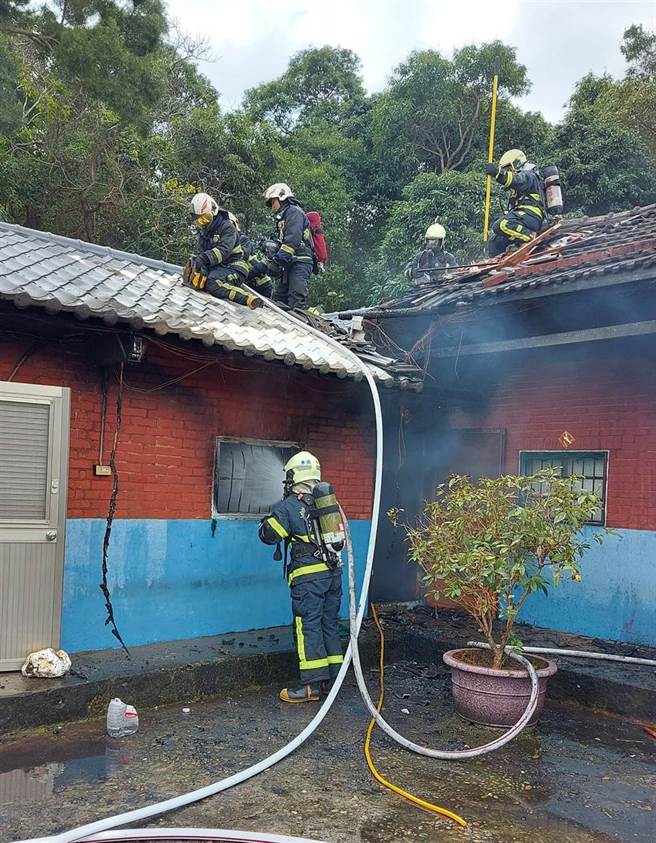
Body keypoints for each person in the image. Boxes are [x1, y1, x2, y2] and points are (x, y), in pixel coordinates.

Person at [259, 451, 344, 703]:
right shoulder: (327, 503)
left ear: (293, 476)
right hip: (333, 574)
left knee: (308, 626)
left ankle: (311, 687)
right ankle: (333, 681)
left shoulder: (290, 506)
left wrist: (268, 520)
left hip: (308, 579)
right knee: (329, 623)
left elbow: (269, 536)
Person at [186, 193, 259, 308]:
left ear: (214, 212)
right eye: (201, 221)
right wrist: (200, 270)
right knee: (202, 281)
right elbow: (201, 255)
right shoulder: (203, 235)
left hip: (234, 266)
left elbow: (224, 250)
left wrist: (204, 259)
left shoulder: (227, 227)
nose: (205, 222)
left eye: (206, 218)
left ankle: (249, 299)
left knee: (212, 283)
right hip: (219, 267)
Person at [484, 149, 546, 257]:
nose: (508, 172)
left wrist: (498, 173)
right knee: (494, 241)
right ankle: (493, 262)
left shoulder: (529, 175)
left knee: (502, 224)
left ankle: (530, 236)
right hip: (522, 217)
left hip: (532, 215)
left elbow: (517, 180)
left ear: (517, 164)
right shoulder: (517, 190)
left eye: (508, 169)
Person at [263, 183, 314, 310]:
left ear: (281, 197)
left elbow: (292, 241)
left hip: (300, 262)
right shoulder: (283, 217)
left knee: (296, 301)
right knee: (279, 300)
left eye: (272, 202)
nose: (272, 207)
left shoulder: (294, 212)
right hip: (289, 263)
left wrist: (278, 261)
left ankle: (301, 328)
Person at [227, 211, 273, 299]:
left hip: (262, 286)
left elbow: (242, 256)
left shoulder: (243, 239)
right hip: (247, 285)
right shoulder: (224, 243)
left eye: (230, 225)